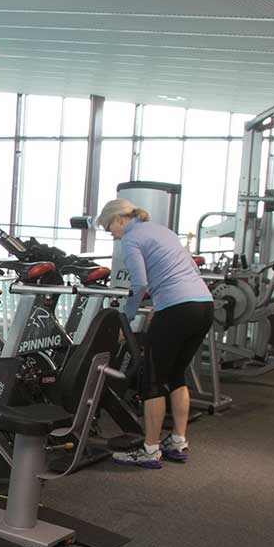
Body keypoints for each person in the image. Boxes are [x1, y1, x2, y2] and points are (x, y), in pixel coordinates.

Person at [98, 198, 214, 469]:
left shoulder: (131, 238)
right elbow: (186, 270)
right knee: (176, 375)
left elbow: (139, 283)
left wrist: (126, 319)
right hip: (203, 306)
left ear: (119, 220)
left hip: (177, 309)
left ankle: (150, 450)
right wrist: (160, 306)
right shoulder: (163, 230)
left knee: (152, 379)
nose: (112, 235)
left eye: (109, 229)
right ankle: (178, 441)